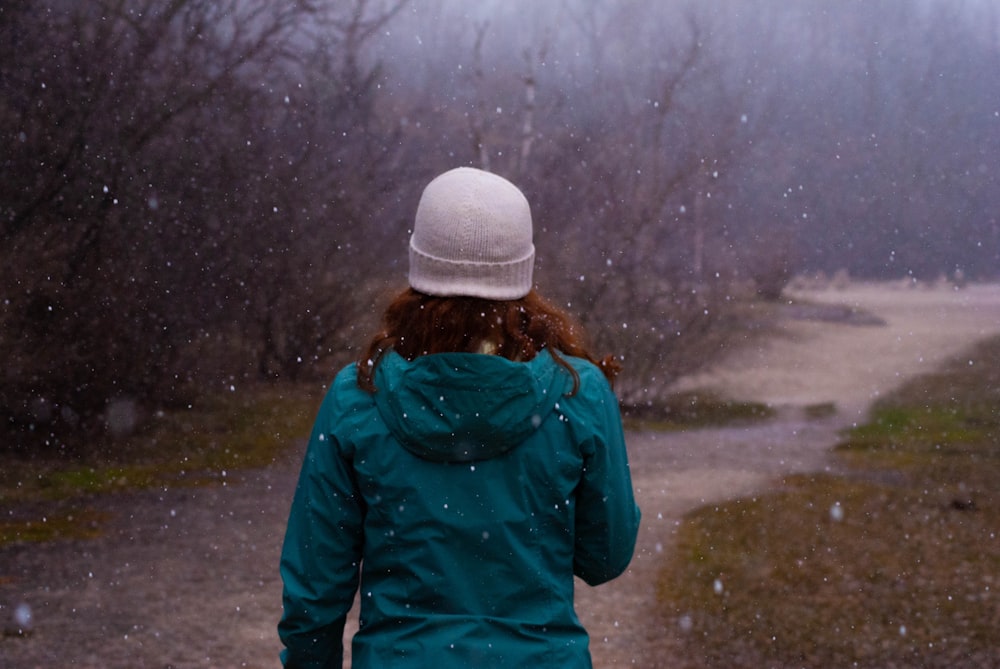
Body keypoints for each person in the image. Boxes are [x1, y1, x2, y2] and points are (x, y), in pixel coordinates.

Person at [278, 166, 641, 668]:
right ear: (523, 272)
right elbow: (606, 557)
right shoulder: (579, 394)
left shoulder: (357, 395)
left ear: (417, 267)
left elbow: (315, 585)